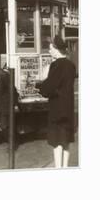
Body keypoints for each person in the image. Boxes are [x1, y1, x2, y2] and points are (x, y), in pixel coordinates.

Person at [36, 35, 76, 168]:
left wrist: (39, 85)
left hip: (57, 110)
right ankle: (65, 168)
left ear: (56, 49)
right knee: (66, 142)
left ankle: (58, 170)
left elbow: (48, 89)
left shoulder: (55, 65)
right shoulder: (71, 65)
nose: (49, 51)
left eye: (50, 48)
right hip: (68, 109)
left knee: (57, 142)